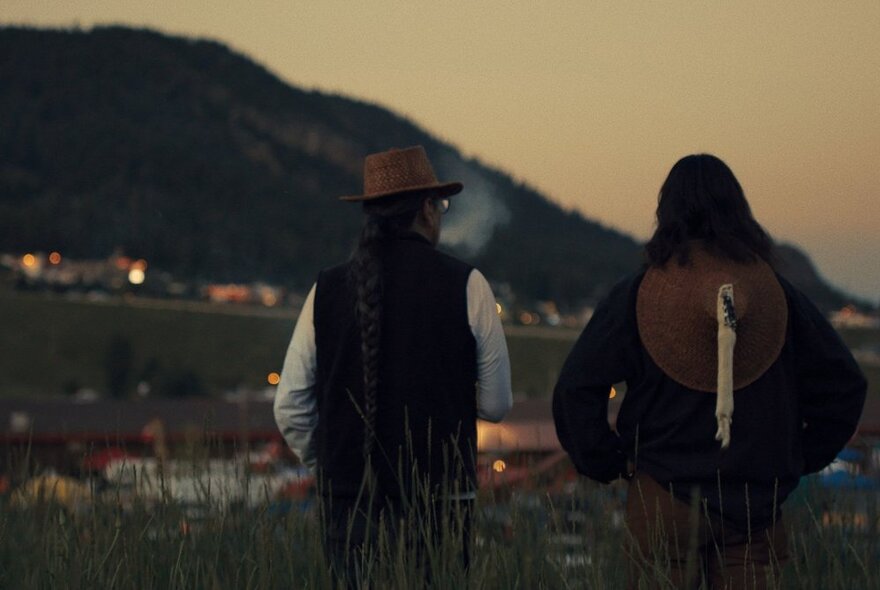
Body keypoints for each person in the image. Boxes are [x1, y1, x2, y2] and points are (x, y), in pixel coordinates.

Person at [553, 154, 866, 589]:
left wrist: (610, 462)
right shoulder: (779, 298)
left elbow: (576, 388)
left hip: (664, 496)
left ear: (667, 214)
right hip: (758, 504)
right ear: (739, 211)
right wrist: (797, 457)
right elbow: (845, 385)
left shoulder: (639, 294)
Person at [274, 145, 512, 585]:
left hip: (350, 503)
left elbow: (289, 407)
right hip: (442, 503)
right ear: (426, 209)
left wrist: (331, 465)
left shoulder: (325, 289)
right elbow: (496, 404)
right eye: (439, 204)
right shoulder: (468, 284)